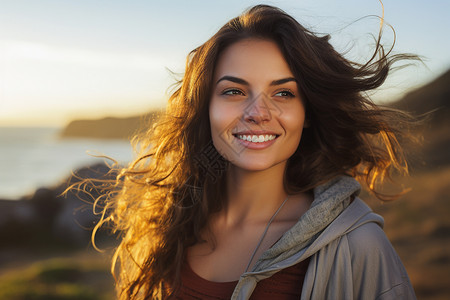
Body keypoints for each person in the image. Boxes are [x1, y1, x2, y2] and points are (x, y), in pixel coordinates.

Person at [92, 4, 417, 299]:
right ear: (205, 107)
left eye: (284, 93)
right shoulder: (175, 219)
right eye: (234, 91)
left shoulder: (359, 246)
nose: (258, 112)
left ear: (307, 114)